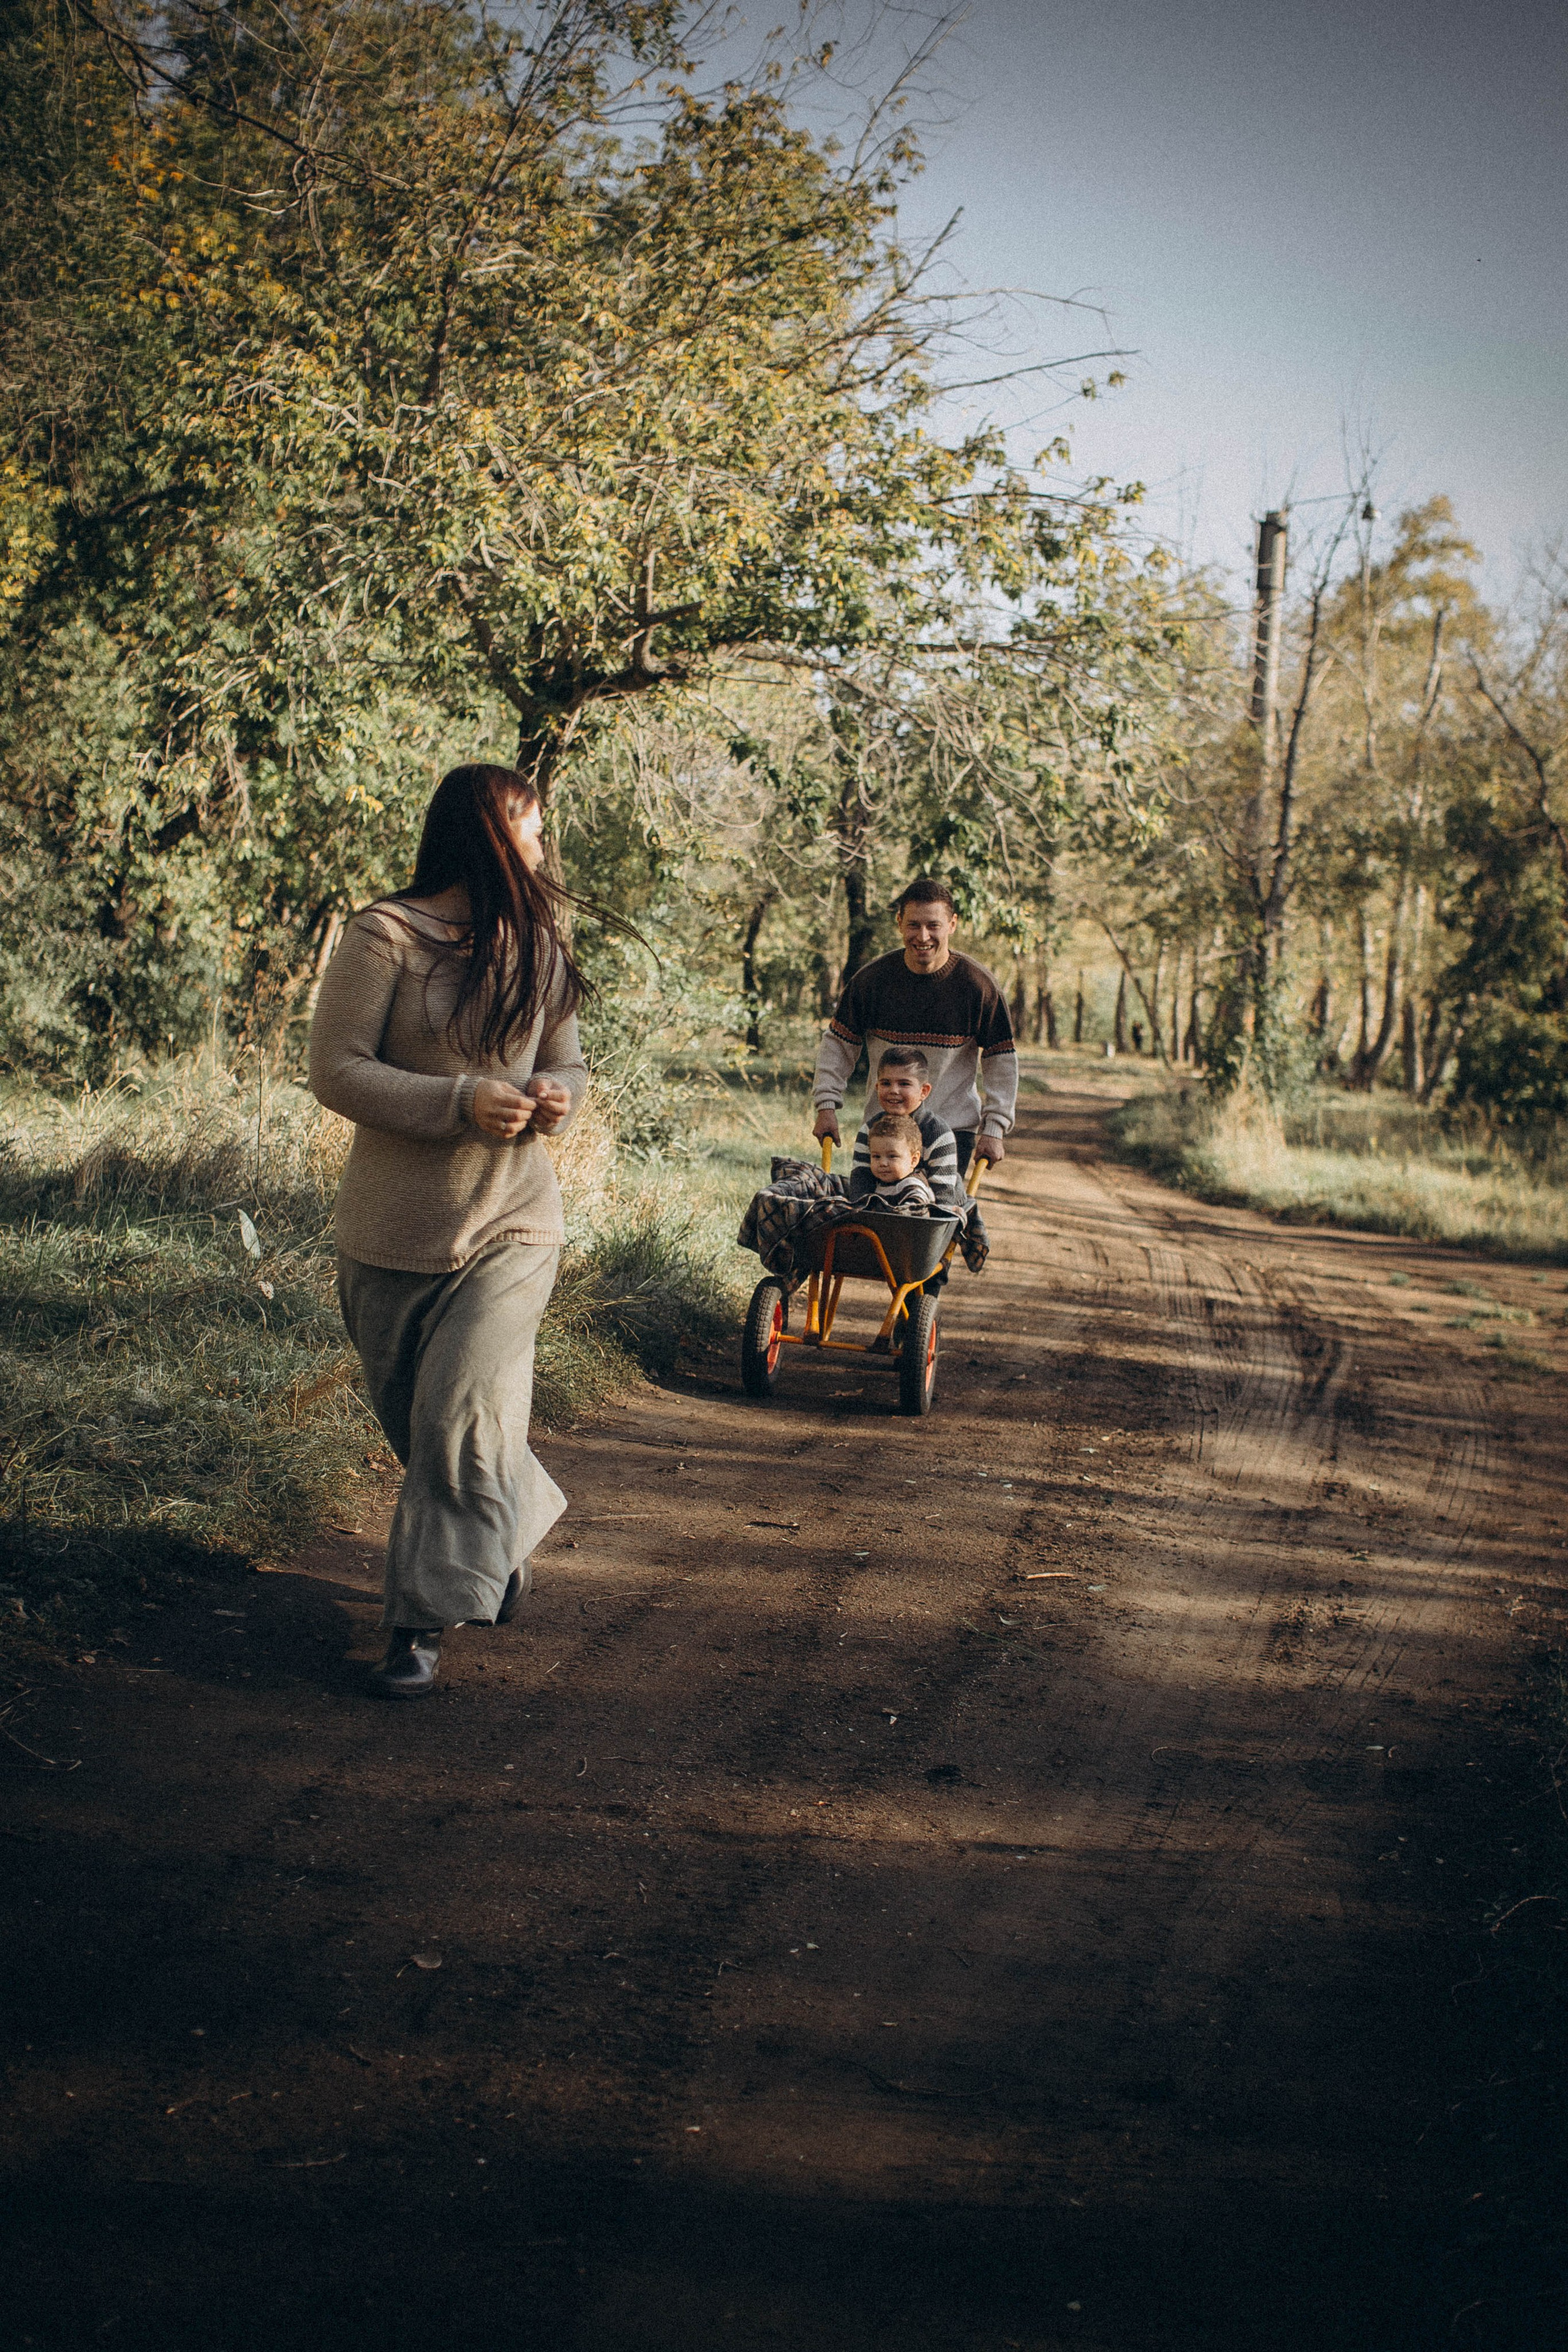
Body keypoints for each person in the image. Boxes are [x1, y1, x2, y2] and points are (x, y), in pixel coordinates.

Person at [307, 763, 588, 1700]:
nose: (543, 848)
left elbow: (570, 1066)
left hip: (512, 1224)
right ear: (485, 834)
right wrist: (461, 1100)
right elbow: (338, 1071)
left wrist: (557, 1098)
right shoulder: (383, 935)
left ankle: (417, 1626)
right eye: (531, 830)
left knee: (459, 1418)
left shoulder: (541, 945)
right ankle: (498, 1534)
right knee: (428, 1431)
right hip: (389, 1234)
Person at [813, 878, 1017, 1175]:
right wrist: (826, 1106)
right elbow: (838, 1046)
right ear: (899, 923)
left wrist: (995, 1128)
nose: (923, 936)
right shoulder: (872, 981)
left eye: (934, 925)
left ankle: (971, 1225)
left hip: (951, 1131)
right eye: (913, 925)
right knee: (874, 1214)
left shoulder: (977, 986)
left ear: (952, 924)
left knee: (944, 1214)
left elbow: (1001, 1062)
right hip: (883, 1128)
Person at [845, 1046, 960, 1207]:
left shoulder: (938, 1134)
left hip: (927, 1211)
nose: (894, 1091)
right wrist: (861, 1212)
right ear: (877, 1087)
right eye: (886, 1083)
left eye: (904, 1084)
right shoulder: (870, 1130)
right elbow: (861, 1180)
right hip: (882, 1207)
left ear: (924, 1091)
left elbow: (943, 1194)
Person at [862, 1112, 937, 1214]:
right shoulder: (882, 1182)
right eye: (876, 1156)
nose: (883, 1163)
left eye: (892, 1156)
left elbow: (913, 1212)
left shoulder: (912, 1185)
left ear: (913, 1160)